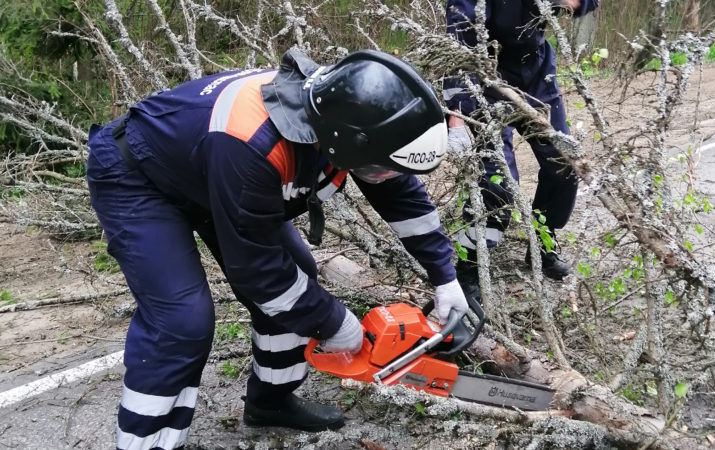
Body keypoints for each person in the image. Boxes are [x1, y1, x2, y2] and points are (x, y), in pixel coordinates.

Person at [86, 48, 468, 450]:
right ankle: (145, 443)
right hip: (139, 176)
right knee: (181, 320)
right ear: (346, 141)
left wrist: (445, 278)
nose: (381, 176)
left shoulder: (346, 115)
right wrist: (334, 322)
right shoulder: (254, 141)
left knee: (298, 277)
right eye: (378, 167)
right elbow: (259, 272)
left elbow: (400, 195)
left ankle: (271, 401)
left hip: (212, 173)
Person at [444, 0, 600, 292]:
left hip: (535, 72)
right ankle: (468, 270)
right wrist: (457, 113)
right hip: (482, 76)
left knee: (564, 162)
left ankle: (543, 244)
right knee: (497, 184)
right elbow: (457, 45)